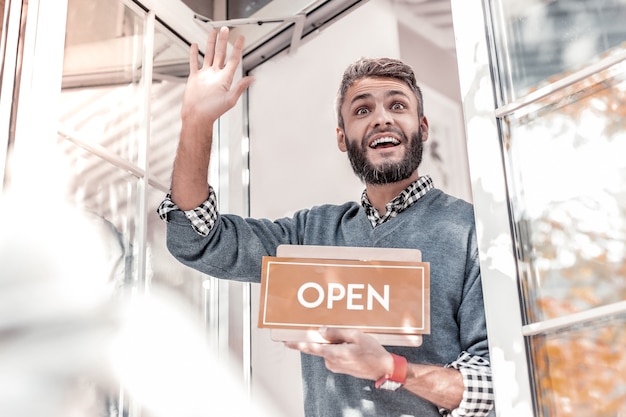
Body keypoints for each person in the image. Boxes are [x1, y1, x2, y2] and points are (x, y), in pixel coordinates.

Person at [158, 26, 494, 417]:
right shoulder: (308, 234)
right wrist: (196, 121)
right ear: (341, 137)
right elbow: (198, 240)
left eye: (397, 106)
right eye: (362, 110)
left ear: (422, 127)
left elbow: (493, 384)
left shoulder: (470, 231)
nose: (381, 119)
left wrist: (390, 368)